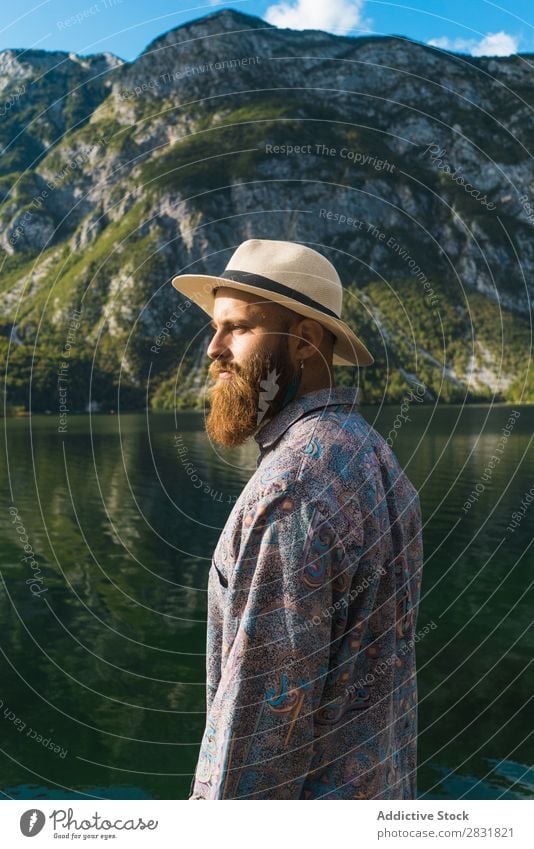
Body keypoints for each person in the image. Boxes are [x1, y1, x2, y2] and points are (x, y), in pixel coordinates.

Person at [171, 239, 423, 799]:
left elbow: (260, 736)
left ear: (306, 341)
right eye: (214, 329)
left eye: (238, 328)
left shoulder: (289, 492)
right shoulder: (374, 455)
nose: (213, 349)